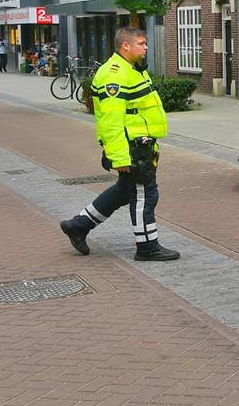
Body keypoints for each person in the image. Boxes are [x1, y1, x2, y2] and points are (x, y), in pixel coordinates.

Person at [59, 27, 179, 261]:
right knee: (146, 195)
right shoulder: (114, 75)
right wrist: (121, 158)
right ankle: (147, 247)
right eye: (141, 43)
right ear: (126, 46)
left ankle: (78, 226)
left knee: (125, 191)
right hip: (132, 148)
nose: (146, 47)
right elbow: (111, 123)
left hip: (140, 145)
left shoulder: (131, 70)